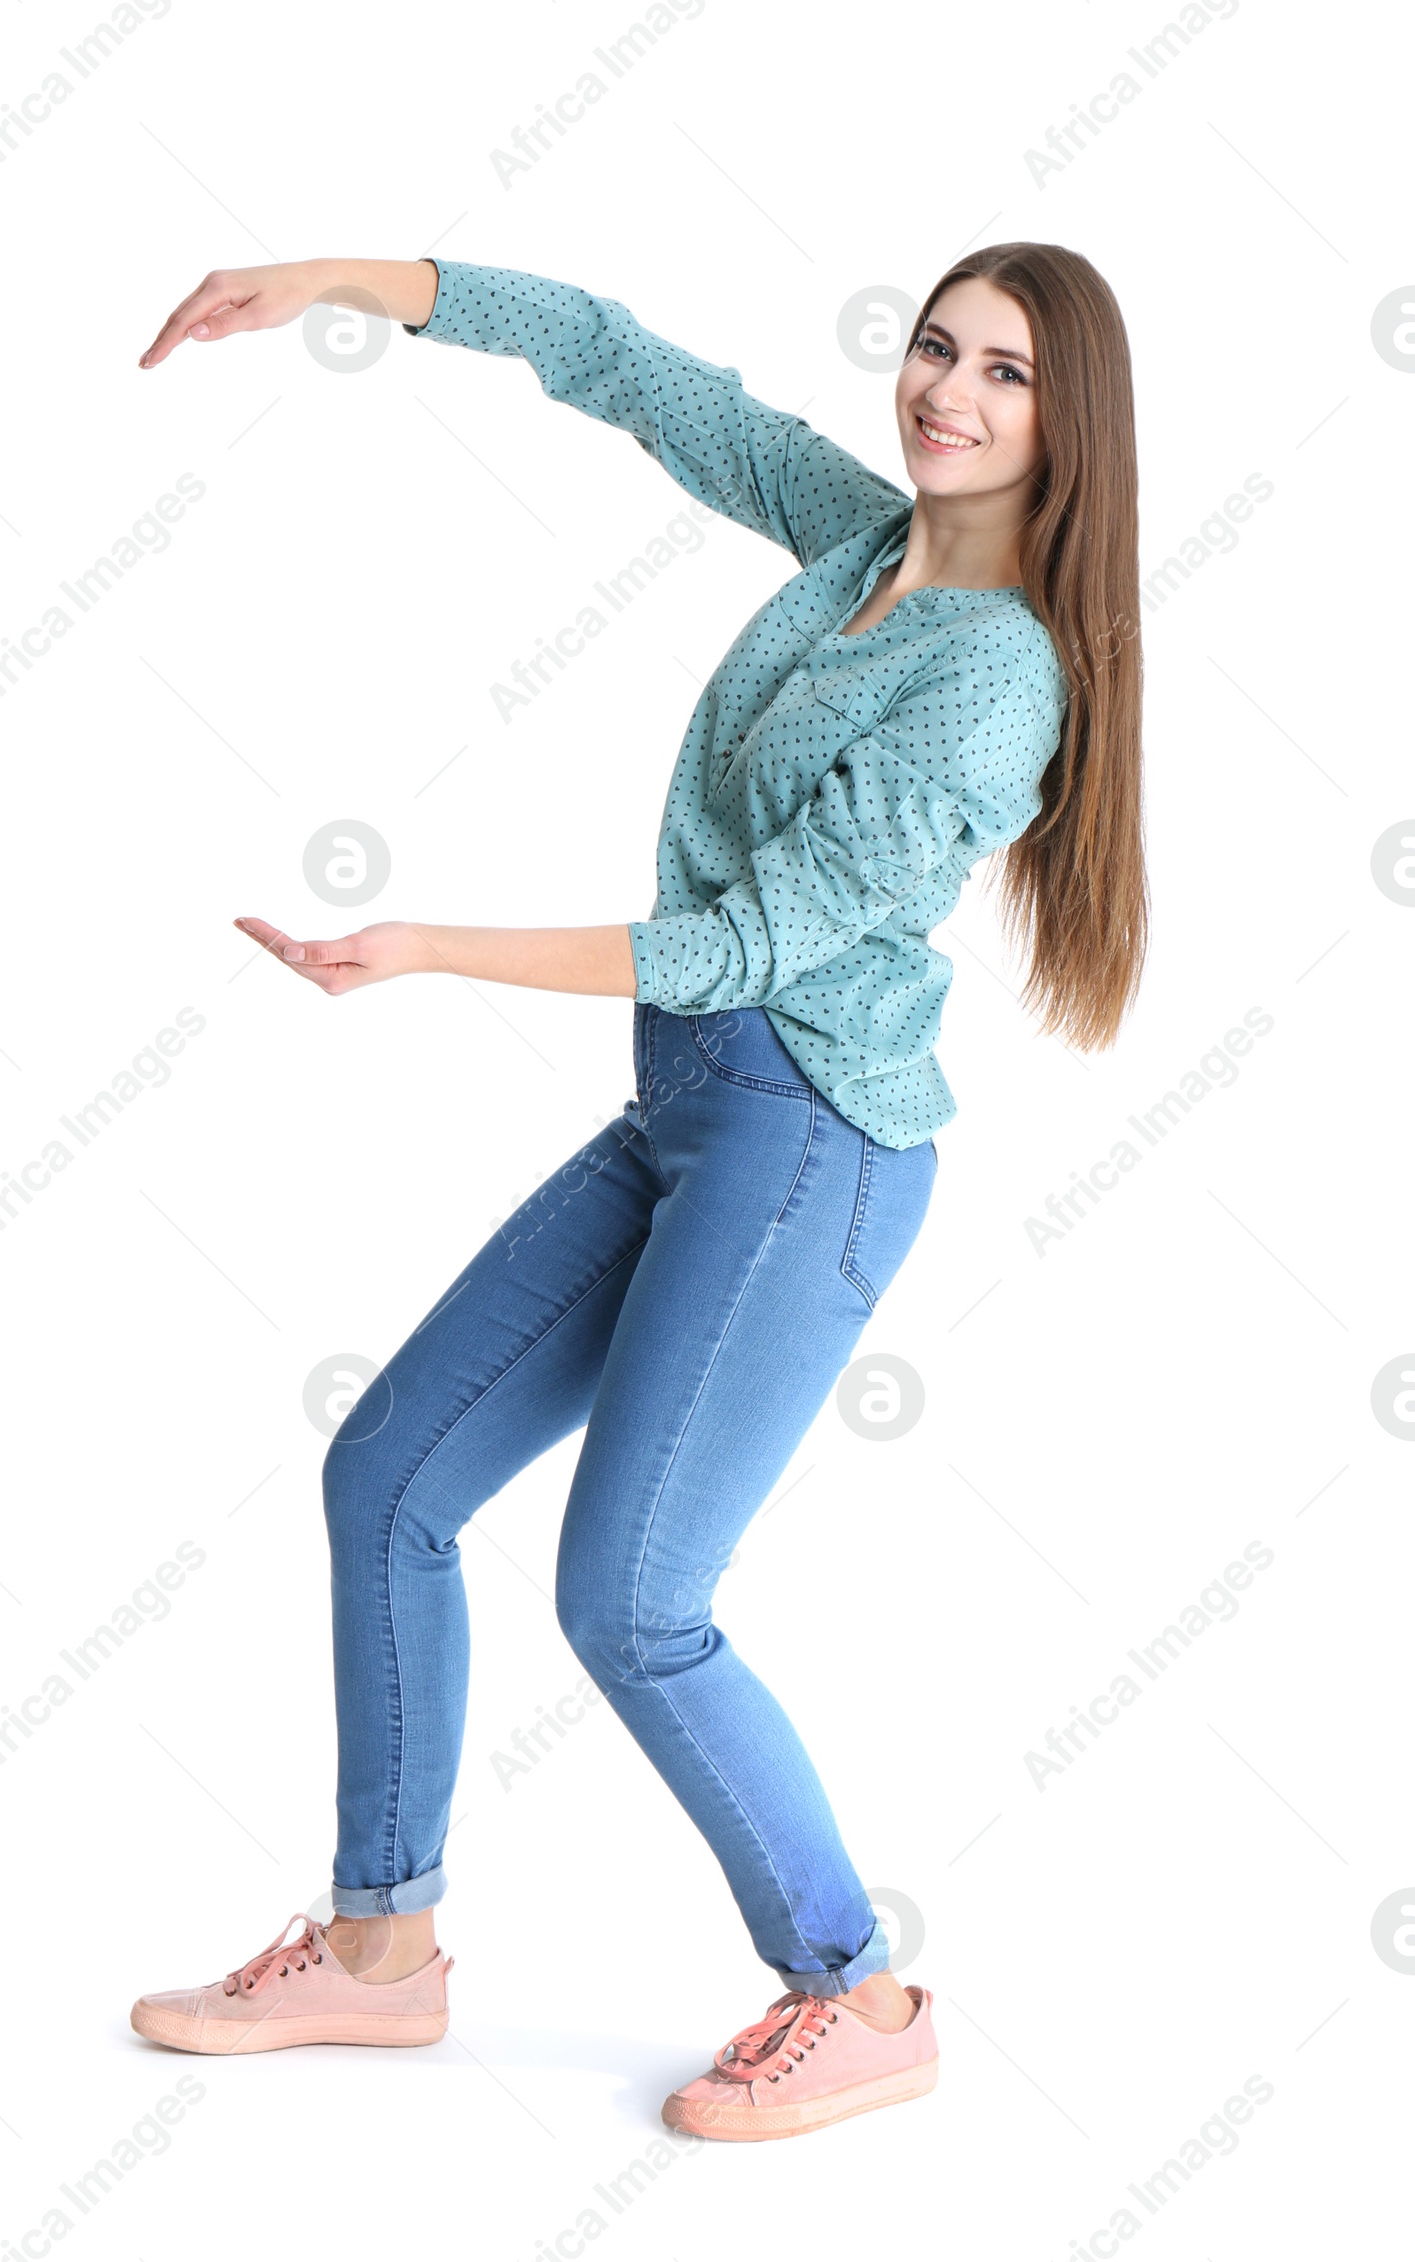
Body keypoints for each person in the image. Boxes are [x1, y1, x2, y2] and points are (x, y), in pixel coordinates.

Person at [128, 247, 1147, 2141]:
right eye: (935, 346)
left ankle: (861, 1990)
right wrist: (347, 279)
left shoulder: (999, 675)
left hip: (808, 1141)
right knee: (391, 1480)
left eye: (1004, 373)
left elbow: (756, 938)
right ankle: (380, 1950)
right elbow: (632, 368)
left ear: (1068, 421)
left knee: (634, 1597)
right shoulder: (861, 545)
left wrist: (431, 944)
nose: (947, 392)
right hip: (690, 1117)